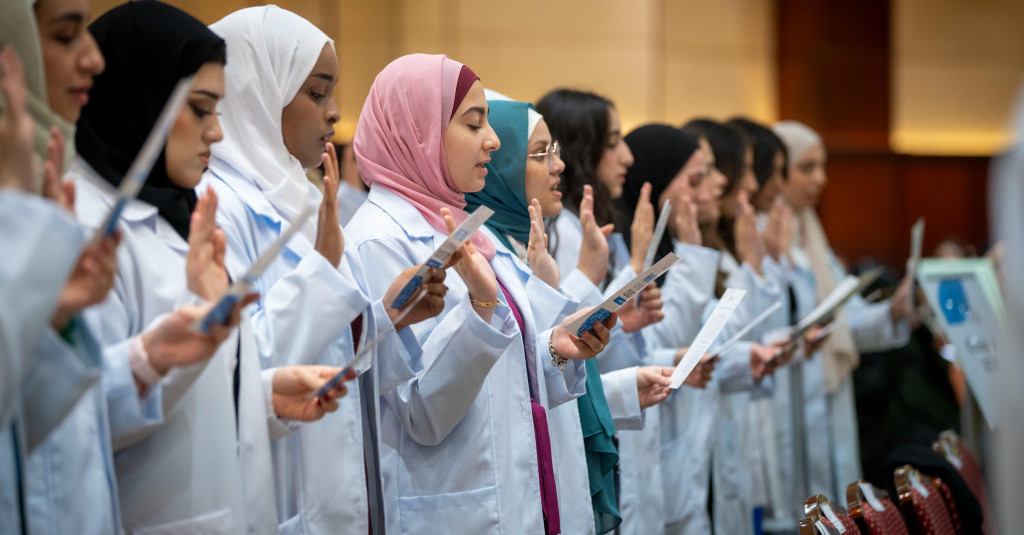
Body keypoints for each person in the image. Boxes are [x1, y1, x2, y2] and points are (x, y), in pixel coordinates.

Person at [72, 2, 354, 532]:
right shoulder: (93, 230)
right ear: (145, 96)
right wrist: (148, 360)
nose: (217, 132)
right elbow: (66, 414)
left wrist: (260, 395)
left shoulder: (175, 214)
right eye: (202, 109)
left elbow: (211, 380)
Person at [346, 53, 615, 534]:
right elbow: (419, 409)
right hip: (451, 508)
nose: (492, 140)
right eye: (474, 124)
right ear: (418, 131)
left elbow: (509, 377)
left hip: (507, 498)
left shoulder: (466, 230)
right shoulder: (380, 239)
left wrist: (556, 349)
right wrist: (480, 309)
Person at [205, 8, 447, 533]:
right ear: (259, 91)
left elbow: (330, 353)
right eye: (316, 93)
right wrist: (322, 268)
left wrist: (384, 317)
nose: (335, 112)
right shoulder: (217, 207)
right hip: (276, 486)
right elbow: (244, 364)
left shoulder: (299, 197)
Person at [771, 119, 913, 518]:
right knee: (802, 503)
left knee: (835, 500)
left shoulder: (811, 231)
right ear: (778, 172)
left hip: (826, 386)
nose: (821, 179)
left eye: (822, 167)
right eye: (807, 167)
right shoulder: (766, 234)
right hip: (790, 389)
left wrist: (892, 312)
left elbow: (842, 319)